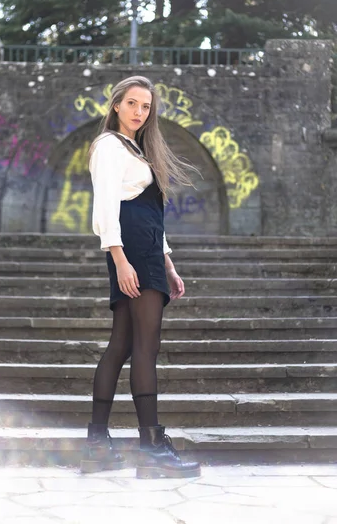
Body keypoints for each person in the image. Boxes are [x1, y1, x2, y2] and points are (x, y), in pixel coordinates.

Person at [80, 75, 201, 479]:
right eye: (132, 103)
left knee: (123, 343)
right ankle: (151, 449)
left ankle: (97, 445)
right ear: (117, 105)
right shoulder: (109, 147)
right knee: (146, 345)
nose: (138, 112)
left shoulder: (137, 148)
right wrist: (120, 259)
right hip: (129, 246)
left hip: (146, 247)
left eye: (145, 106)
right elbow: (106, 208)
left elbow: (151, 212)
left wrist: (168, 264)